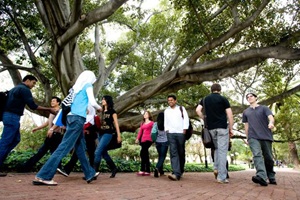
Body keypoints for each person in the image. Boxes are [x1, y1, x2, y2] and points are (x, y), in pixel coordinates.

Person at [32, 70, 102, 186]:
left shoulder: (75, 88)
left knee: (80, 146)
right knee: (64, 147)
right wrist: (99, 108)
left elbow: (72, 104)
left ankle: (89, 173)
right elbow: (93, 102)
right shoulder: (87, 85)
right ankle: (43, 176)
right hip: (77, 120)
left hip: (70, 118)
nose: (93, 83)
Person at [0, 75, 56, 177]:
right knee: (5, 141)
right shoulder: (24, 89)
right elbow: (33, 106)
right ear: (27, 80)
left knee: (15, 139)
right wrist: (49, 109)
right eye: (33, 83)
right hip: (12, 117)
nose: (34, 85)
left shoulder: (15, 89)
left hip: (9, 116)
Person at [196, 83, 233, 184]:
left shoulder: (205, 99)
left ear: (211, 90)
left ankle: (216, 168)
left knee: (216, 148)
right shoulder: (223, 99)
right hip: (222, 127)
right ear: (220, 90)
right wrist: (231, 128)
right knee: (222, 151)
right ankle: (221, 177)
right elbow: (229, 115)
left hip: (211, 128)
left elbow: (198, 110)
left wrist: (204, 118)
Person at [18, 97, 63, 172]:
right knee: (52, 152)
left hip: (55, 134)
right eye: (51, 101)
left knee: (43, 151)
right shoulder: (52, 111)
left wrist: (52, 129)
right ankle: (58, 168)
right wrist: (37, 128)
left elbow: (59, 122)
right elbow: (47, 123)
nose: (52, 102)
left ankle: (25, 167)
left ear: (58, 103)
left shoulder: (59, 111)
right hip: (51, 134)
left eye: (54, 101)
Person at [242, 92, 276, 186]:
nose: (249, 98)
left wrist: (271, 123)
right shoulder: (246, 112)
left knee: (268, 157)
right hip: (253, 136)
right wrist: (247, 137)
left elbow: (271, 118)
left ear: (256, 98)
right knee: (257, 155)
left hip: (265, 136)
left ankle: (271, 176)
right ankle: (261, 176)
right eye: (247, 97)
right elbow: (246, 125)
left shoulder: (264, 108)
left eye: (251, 96)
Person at [56, 104, 99, 177]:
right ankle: (67, 170)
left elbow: (97, 127)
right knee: (77, 154)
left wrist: (89, 130)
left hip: (90, 138)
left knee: (91, 154)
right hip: (81, 137)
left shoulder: (95, 117)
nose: (86, 110)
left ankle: (93, 171)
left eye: (87, 109)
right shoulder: (80, 117)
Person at [93, 95, 122, 178]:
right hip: (100, 134)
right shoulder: (101, 112)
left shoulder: (112, 112)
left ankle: (93, 172)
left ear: (108, 101)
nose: (102, 101)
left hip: (108, 133)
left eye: (104, 99)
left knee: (97, 152)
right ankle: (114, 168)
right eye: (102, 99)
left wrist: (118, 136)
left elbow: (116, 124)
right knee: (103, 153)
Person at [164, 95, 189, 181]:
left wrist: (184, 129)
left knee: (181, 152)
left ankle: (180, 170)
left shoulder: (181, 108)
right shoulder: (166, 111)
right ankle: (175, 173)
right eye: (168, 100)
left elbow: (186, 119)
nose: (170, 101)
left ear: (175, 101)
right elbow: (165, 121)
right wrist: (167, 130)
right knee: (173, 152)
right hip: (170, 133)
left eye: (171, 100)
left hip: (180, 133)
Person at [135, 110, 154, 176]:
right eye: (144, 114)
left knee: (143, 153)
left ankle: (144, 170)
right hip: (143, 140)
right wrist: (137, 138)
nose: (144, 115)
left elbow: (154, 131)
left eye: (146, 114)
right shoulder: (142, 123)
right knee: (144, 154)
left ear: (149, 115)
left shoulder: (152, 123)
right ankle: (146, 170)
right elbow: (140, 132)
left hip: (149, 140)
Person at [151, 112, 169, 178]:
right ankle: (157, 168)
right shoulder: (166, 124)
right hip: (165, 142)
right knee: (162, 156)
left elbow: (153, 132)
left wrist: (154, 140)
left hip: (157, 142)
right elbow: (168, 132)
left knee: (160, 156)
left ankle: (161, 172)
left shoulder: (155, 124)